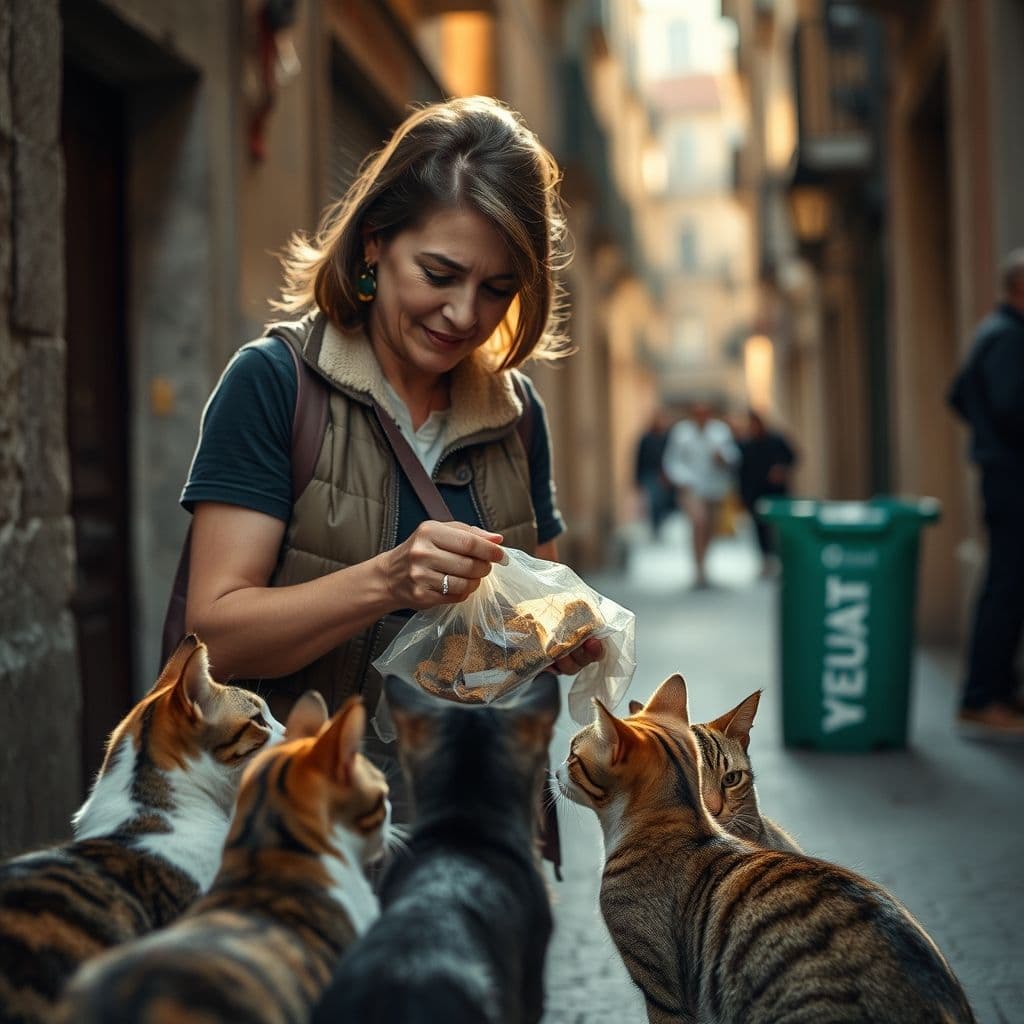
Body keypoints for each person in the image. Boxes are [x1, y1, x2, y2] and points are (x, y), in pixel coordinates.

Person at [178, 97, 605, 817]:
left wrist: (558, 637)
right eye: (439, 274)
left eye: (497, 289)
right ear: (374, 242)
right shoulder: (272, 384)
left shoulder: (518, 413)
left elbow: (530, 618)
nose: (466, 315)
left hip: (471, 831)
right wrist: (389, 580)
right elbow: (215, 635)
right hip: (299, 835)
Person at [948, 248, 1024, 739]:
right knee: (1007, 586)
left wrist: (988, 442)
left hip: (1003, 473)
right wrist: (998, 444)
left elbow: (959, 394)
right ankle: (984, 697)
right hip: (1013, 478)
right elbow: (1012, 407)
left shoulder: (993, 333)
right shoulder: (1009, 337)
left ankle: (994, 692)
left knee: (1008, 585)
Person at [661, 401, 739, 588]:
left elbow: (734, 455)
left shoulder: (720, 432)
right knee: (699, 522)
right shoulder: (681, 433)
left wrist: (723, 458)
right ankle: (698, 569)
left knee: (710, 528)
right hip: (691, 488)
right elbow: (672, 461)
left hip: (714, 488)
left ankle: (704, 565)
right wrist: (682, 480)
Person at [736, 409, 797, 576]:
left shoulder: (776, 440)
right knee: (760, 529)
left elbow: (793, 457)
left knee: (779, 528)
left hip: (776, 494)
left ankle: (781, 558)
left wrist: (781, 469)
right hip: (755, 495)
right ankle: (766, 561)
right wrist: (743, 497)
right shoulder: (746, 445)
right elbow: (741, 473)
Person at [633, 410, 675, 539]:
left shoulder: (669, 438)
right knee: (654, 502)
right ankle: (656, 527)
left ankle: (660, 524)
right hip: (650, 475)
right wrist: (637, 479)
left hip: (665, 476)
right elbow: (639, 458)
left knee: (664, 502)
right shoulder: (646, 438)